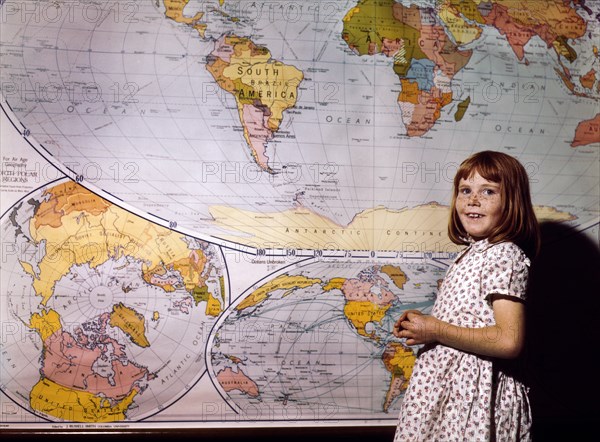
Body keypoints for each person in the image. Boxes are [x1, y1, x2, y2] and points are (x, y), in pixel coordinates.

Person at [393, 150, 540, 441]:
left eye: (488, 191)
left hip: (475, 399)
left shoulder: (504, 255)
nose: (473, 200)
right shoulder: (471, 253)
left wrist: (435, 329)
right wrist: (423, 325)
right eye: (465, 190)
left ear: (511, 202)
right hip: (450, 393)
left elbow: (508, 341)